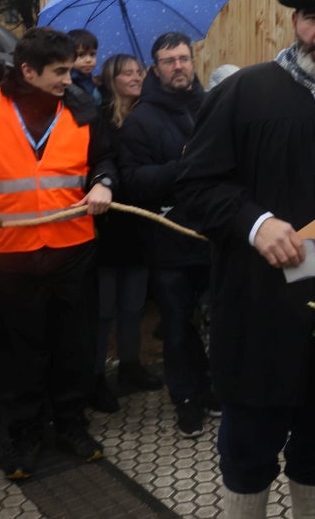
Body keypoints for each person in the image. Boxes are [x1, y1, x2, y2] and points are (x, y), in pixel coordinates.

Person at [173, 0, 315, 519]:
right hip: (257, 311)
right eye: (313, 19)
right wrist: (254, 222)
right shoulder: (244, 92)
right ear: (294, 22)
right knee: (247, 446)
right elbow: (194, 187)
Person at [0, 26, 117, 480]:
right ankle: (26, 432)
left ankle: (71, 424)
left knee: (74, 346)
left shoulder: (82, 108)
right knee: (21, 351)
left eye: (71, 70)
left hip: (73, 249)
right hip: (12, 254)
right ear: (27, 71)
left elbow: (106, 158)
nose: (69, 79)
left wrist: (104, 183)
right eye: (59, 71)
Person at [117, 33, 215, 437]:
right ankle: (186, 400)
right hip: (169, 241)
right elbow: (133, 182)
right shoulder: (141, 120)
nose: (178, 66)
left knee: (220, 322)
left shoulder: (212, 108)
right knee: (176, 328)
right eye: (168, 60)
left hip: (212, 238)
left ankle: (213, 390)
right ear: (155, 68)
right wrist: (181, 165)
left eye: (183, 58)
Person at [89, 53, 157, 414]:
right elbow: (99, 164)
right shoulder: (100, 121)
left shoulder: (149, 116)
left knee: (133, 304)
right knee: (103, 309)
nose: (135, 77)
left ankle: (131, 366)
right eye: (127, 73)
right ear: (111, 79)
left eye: (139, 71)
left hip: (141, 222)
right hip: (107, 223)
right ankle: (96, 376)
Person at [68, 28, 102, 104]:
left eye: (92, 54)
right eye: (81, 55)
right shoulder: (69, 83)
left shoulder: (90, 79)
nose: (88, 60)